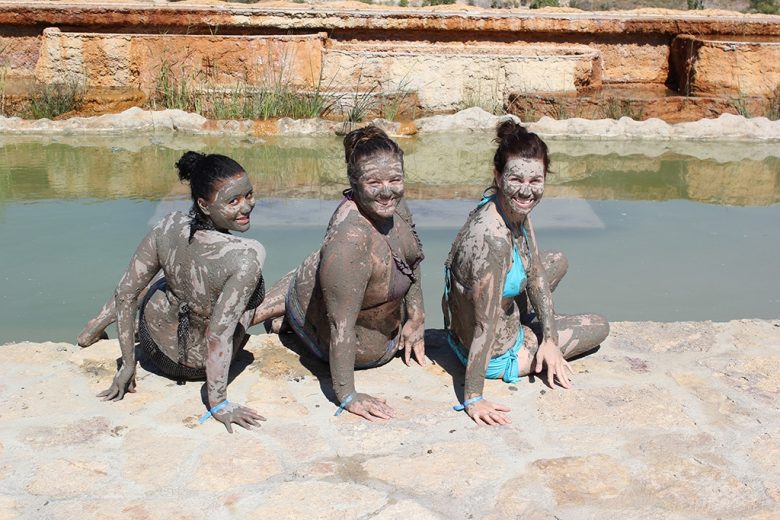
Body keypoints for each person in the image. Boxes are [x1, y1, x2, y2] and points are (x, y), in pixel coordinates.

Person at [77, 152, 266, 433]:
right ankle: (98, 324)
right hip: (199, 364)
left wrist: (128, 364)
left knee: (156, 283)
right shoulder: (248, 254)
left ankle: (93, 327)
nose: (246, 206)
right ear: (203, 204)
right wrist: (219, 403)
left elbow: (126, 293)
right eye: (233, 201)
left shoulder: (167, 226)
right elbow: (218, 335)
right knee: (245, 302)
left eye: (248, 195)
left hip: (157, 351)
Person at [442, 120, 609, 426]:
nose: (526, 190)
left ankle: (535, 328)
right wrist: (473, 398)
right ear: (498, 176)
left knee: (556, 260)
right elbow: (483, 326)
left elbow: (535, 273)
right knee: (599, 325)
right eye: (516, 179)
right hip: (494, 352)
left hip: (493, 316)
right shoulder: (492, 239)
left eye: (535, 181)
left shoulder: (510, 206)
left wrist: (550, 338)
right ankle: (526, 340)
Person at [252, 126, 425, 422]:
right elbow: (339, 325)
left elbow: (412, 259)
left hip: (372, 348)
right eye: (374, 182)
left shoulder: (395, 209)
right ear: (354, 182)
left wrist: (417, 318)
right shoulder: (351, 237)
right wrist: (347, 395)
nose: (387, 190)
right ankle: (254, 317)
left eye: (395, 180)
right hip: (355, 342)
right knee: (323, 268)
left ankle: (258, 315)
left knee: (314, 266)